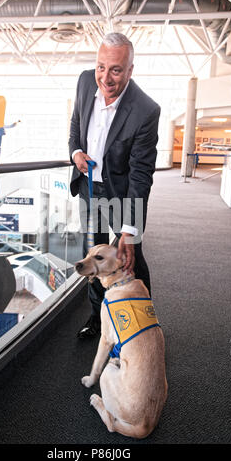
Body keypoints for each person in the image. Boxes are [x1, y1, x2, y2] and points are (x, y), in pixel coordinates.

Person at [69, 32, 160, 338]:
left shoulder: (146, 110)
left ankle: (142, 317)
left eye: (116, 70)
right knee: (92, 257)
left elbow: (141, 173)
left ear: (130, 70)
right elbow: (75, 126)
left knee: (131, 255)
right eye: (100, 67)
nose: (105, 78)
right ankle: (99, 319)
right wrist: (75, 152)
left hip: (122, 195)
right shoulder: (85, 82)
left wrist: (130, 230)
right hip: (88, 190)